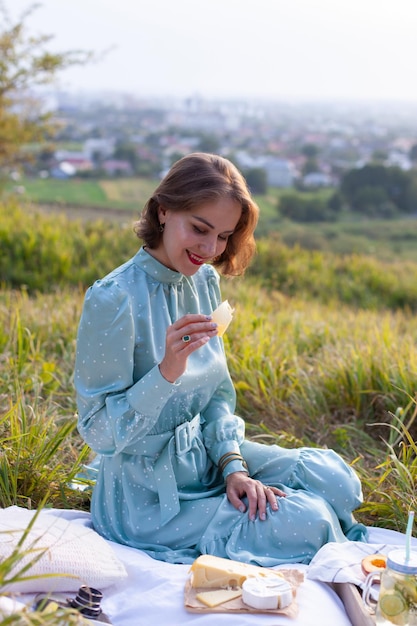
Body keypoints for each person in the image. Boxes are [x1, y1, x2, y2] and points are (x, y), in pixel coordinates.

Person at [74, 152, 367, 566]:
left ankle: (243, 500)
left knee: (336, 481)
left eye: (225, 235)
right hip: (146, 496)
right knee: (311, 521)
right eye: (199, 228)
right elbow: (98, 432)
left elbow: (215, 397)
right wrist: (166, 373)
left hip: (205, 455)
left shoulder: (204, 281)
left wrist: (235, 468)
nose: (210, 249)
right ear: (163, 211)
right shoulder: (113, 298)